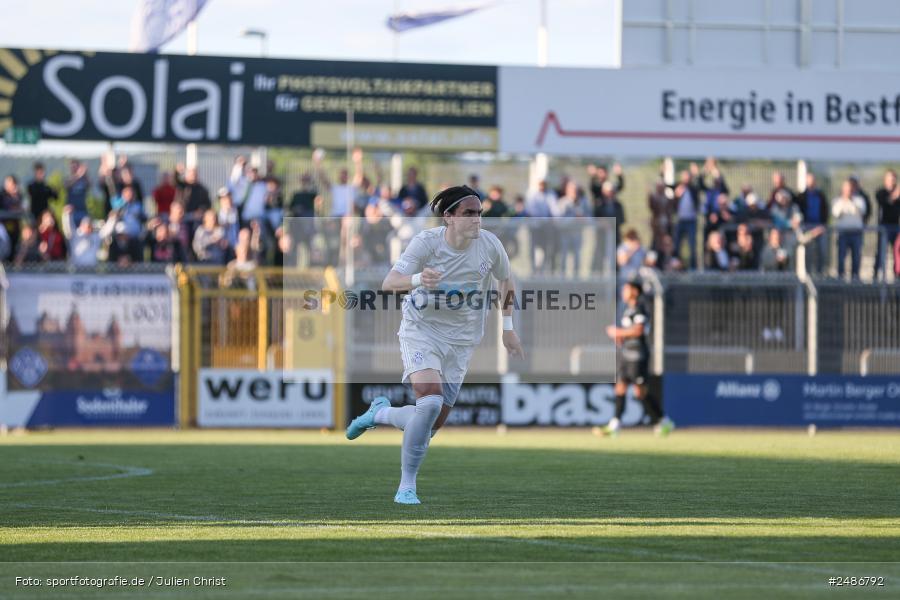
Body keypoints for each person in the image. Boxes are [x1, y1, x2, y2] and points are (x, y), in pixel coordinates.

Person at [345, 185, 524, 505]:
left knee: (427, 426)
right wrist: (417, 280)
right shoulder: (425, 243)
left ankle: (381, 414)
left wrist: (507, 328)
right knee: (428, 405)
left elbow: (506, 280)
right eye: (469, 213)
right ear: (449, 217)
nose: (477, 220)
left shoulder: (490, 245)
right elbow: (389, 283)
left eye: (480, 213)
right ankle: (406, 487)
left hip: (462, 342)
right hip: (421, 330)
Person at [602, 279, 674, 437]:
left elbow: (639, 330)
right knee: (620, 386)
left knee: (640, 392)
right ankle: (615, 425)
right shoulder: (627, 309)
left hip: (638, 355)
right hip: (626, 354)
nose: (623, 292)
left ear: (635, 291)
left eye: (626, 289)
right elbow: (628, 332)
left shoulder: (641, 306)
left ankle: (663, 421)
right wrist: (620, 337)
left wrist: (618, 333)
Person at [832, 179, 867, 280]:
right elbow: (836, 213)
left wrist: (851, 201)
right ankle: (840, 277)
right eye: (846, 188)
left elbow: (861, 211)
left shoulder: (859, 200)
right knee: (841, 257)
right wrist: (844, 202)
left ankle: (855, 278)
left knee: (856, 257)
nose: (848, 190)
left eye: (850, 188)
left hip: (856, 233)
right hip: (843, 233)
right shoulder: (837, 201)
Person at [796, 173, 829, 274]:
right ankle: (807, 276)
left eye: (813, 180)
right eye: (809, 180)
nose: (811, 182)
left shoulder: (821, 195)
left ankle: (820, 275)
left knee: (822, 253)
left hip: (820, 228)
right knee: (808, 253)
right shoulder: (801, 196)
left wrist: (823, 225)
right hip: (807, 228)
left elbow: (825, 211)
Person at [874, 169, 900, 280]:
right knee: (881, 254)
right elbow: (887, 201)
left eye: (893, 179)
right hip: (884, 228)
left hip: (896, 227)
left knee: (897, 254)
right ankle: (876, 277)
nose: (891, 181)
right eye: (889, 178)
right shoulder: (881, 192)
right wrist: (896, 194)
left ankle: (897, 277)